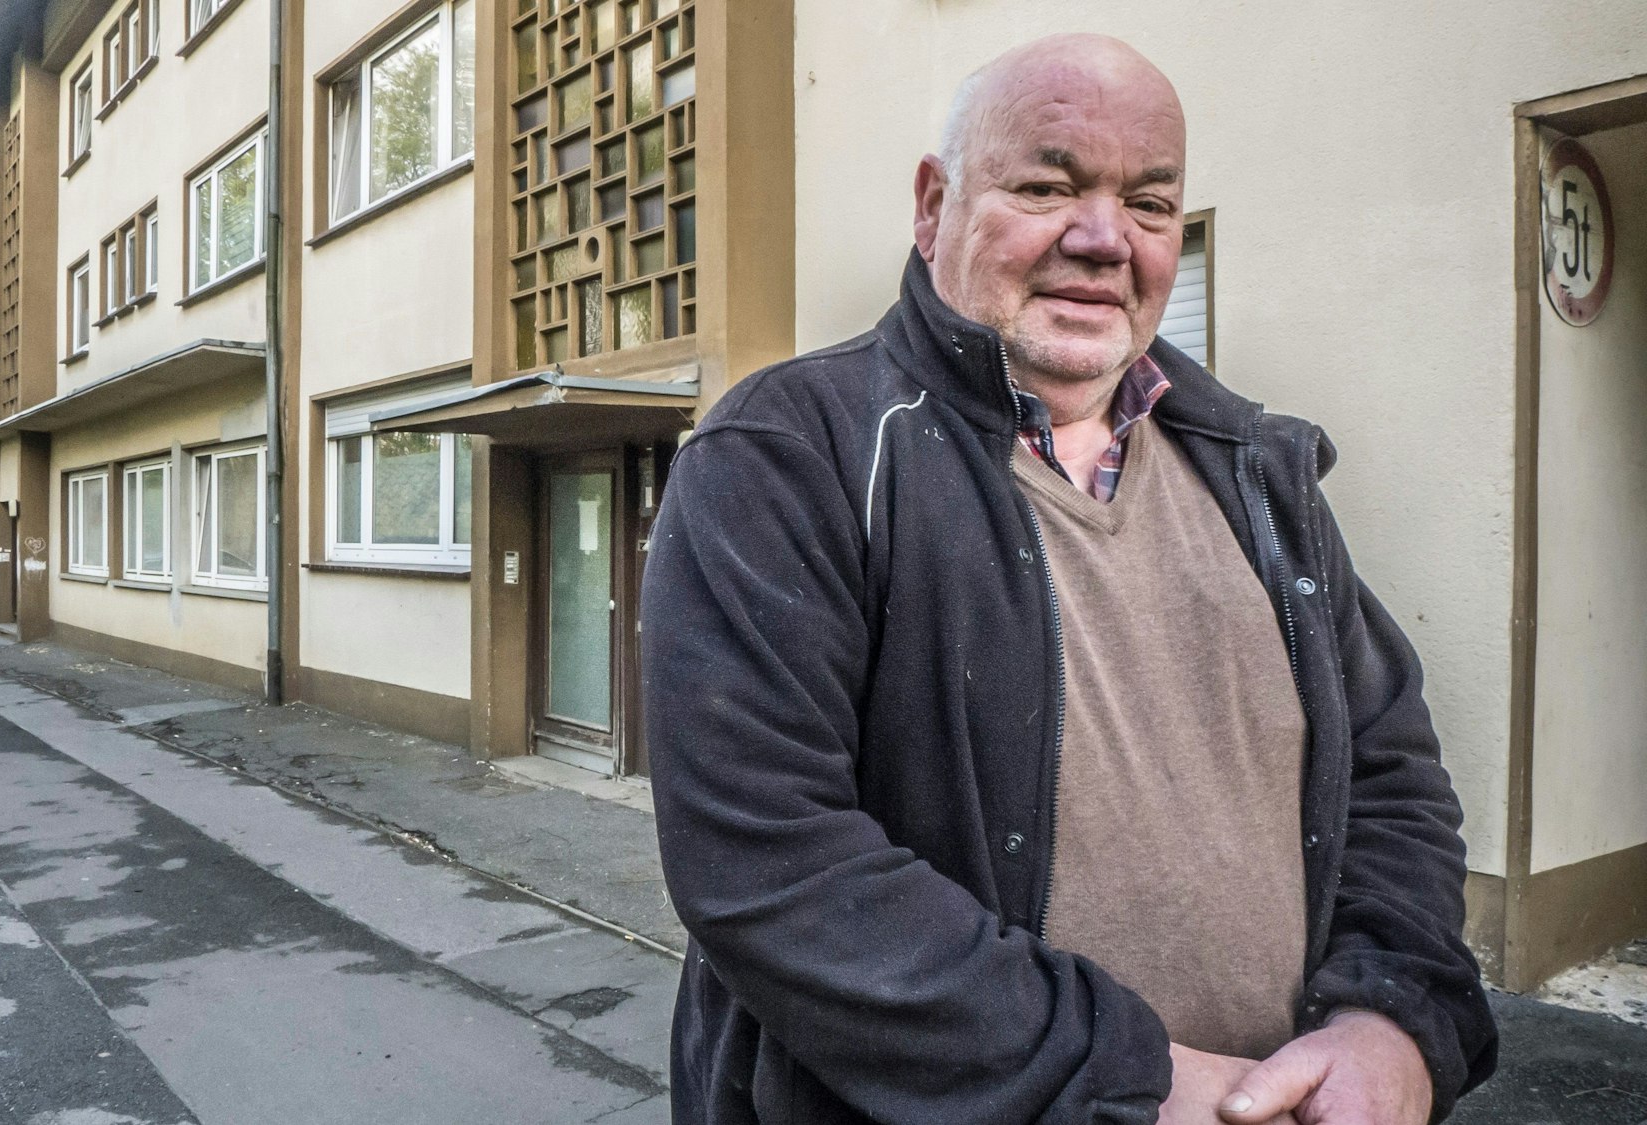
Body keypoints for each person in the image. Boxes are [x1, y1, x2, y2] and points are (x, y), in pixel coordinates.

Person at [641, 33, 1497, 1125]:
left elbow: (1389, 779)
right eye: (1046, 186)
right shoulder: (785, 455)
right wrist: (1131, 1082)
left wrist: (1390, 1025)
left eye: (1148, 204)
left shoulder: (1257, 472)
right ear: (931, 205)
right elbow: (768, 865)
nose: (1102, 240)